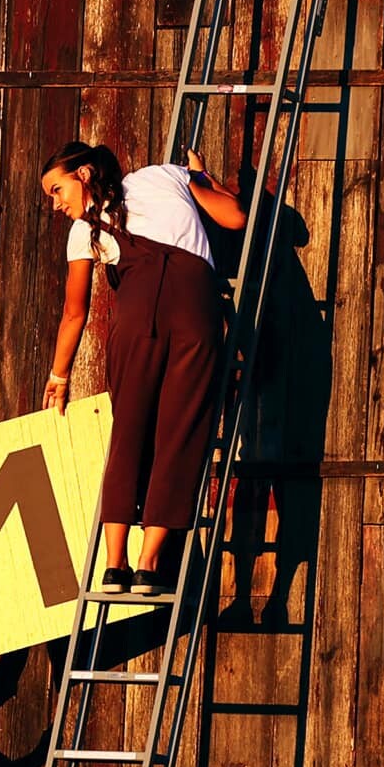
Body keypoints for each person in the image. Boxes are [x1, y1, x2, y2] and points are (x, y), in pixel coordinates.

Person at [39, 141, 247, 592]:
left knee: (129, 435)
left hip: (138, 324)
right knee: (180, 436)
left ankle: (114, 565)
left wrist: (60, 373)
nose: (56, 205)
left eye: (57, 190)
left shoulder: (84, 230)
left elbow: (75, 312)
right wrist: (201, 175)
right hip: (195, 314)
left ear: (84, 174)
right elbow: (234, 218)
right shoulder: (161, 175)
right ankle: (147, 564)